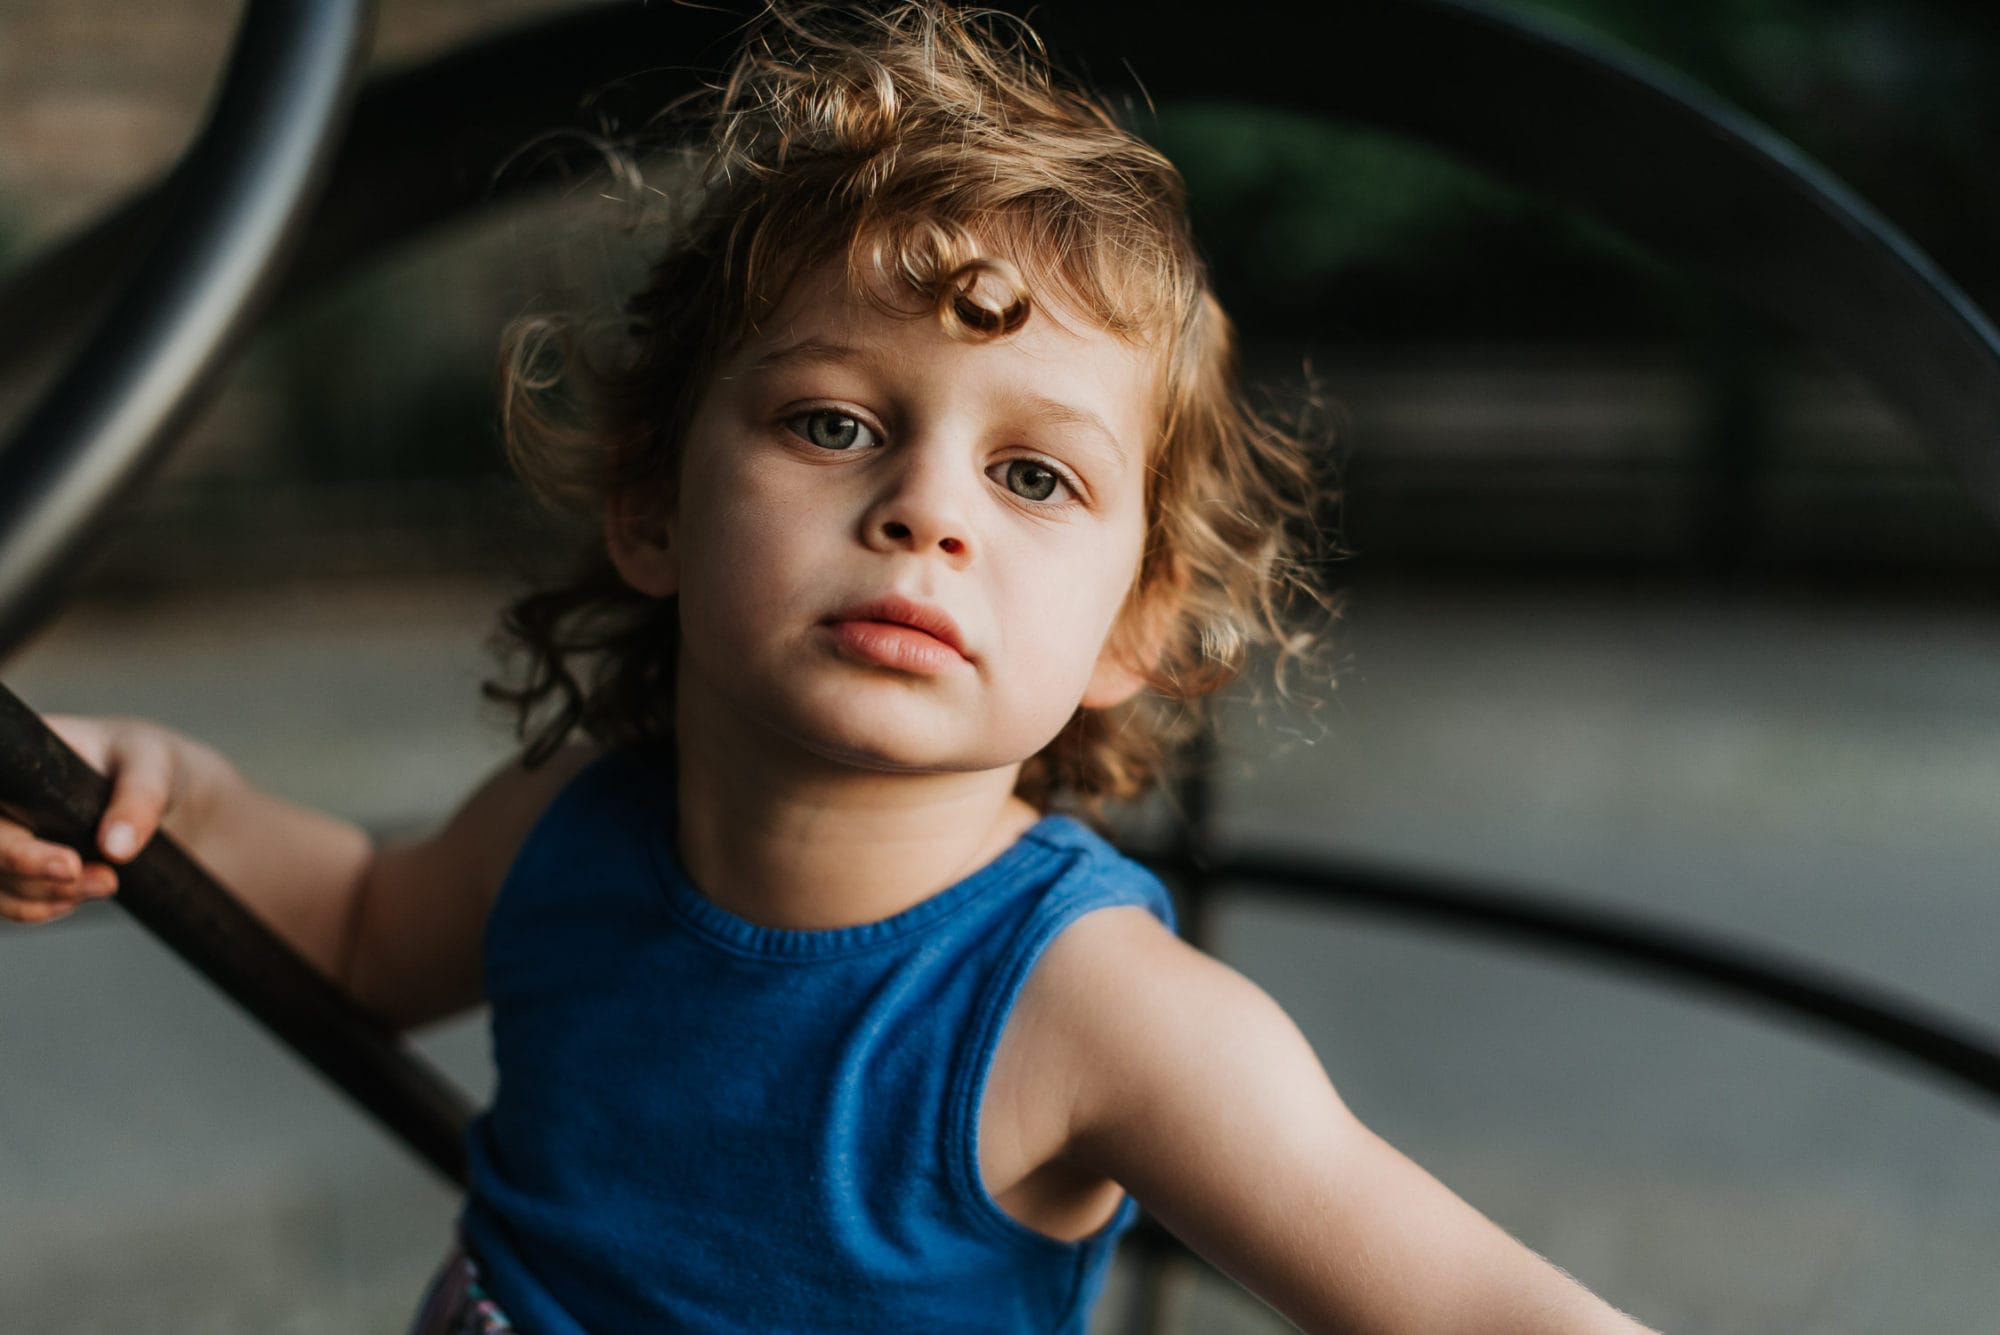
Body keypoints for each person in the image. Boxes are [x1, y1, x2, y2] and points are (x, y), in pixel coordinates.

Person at [0, 4, 1659, 1332]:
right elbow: (361, 929)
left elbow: (1475, 1309)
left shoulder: (1102, 1014)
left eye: (1034, 476)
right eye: (833, 422)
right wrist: (171, 796)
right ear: (653, 504)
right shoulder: (572, 827)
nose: (926, 509)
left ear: (1135, 627)